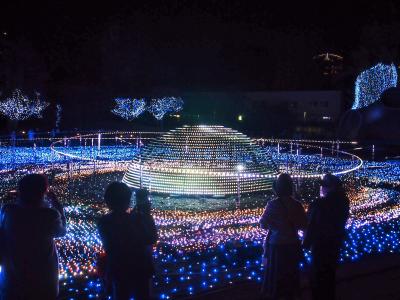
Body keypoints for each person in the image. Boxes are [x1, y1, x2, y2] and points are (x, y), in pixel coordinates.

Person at [0, 174, 66, 300]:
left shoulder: (8, 211)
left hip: (12, 282)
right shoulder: (49, 215)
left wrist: (6, 201)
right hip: (42, 282)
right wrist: (59, 208)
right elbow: (61, 232)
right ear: (44, 190)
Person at [98, 183, 157, 300]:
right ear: (129, 200)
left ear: (107, 201)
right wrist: (147, 217)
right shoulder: (137, 219)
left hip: (118, 267)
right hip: (140, 267)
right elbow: (151, 238)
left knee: (120, 294)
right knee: (143, 295)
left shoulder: (104, 222)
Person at [259, 173, 307, 300]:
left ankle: (277, 294)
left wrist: (275, 226)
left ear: (277, 188)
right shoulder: (297, 205)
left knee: (276, 273)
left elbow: (263, 224)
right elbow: (303, 225)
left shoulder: (272, 205)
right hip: (293, 244)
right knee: (291, 272)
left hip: (277, 245)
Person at [303, 174, 349, 300]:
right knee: (330, 274)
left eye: (323, 186)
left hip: (320, 245)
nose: (321, 188)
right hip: (335, 242)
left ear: (331, 187)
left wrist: (306, 243)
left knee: (318, 277)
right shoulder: (344, 201)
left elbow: (310, 224)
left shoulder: (319, 204)